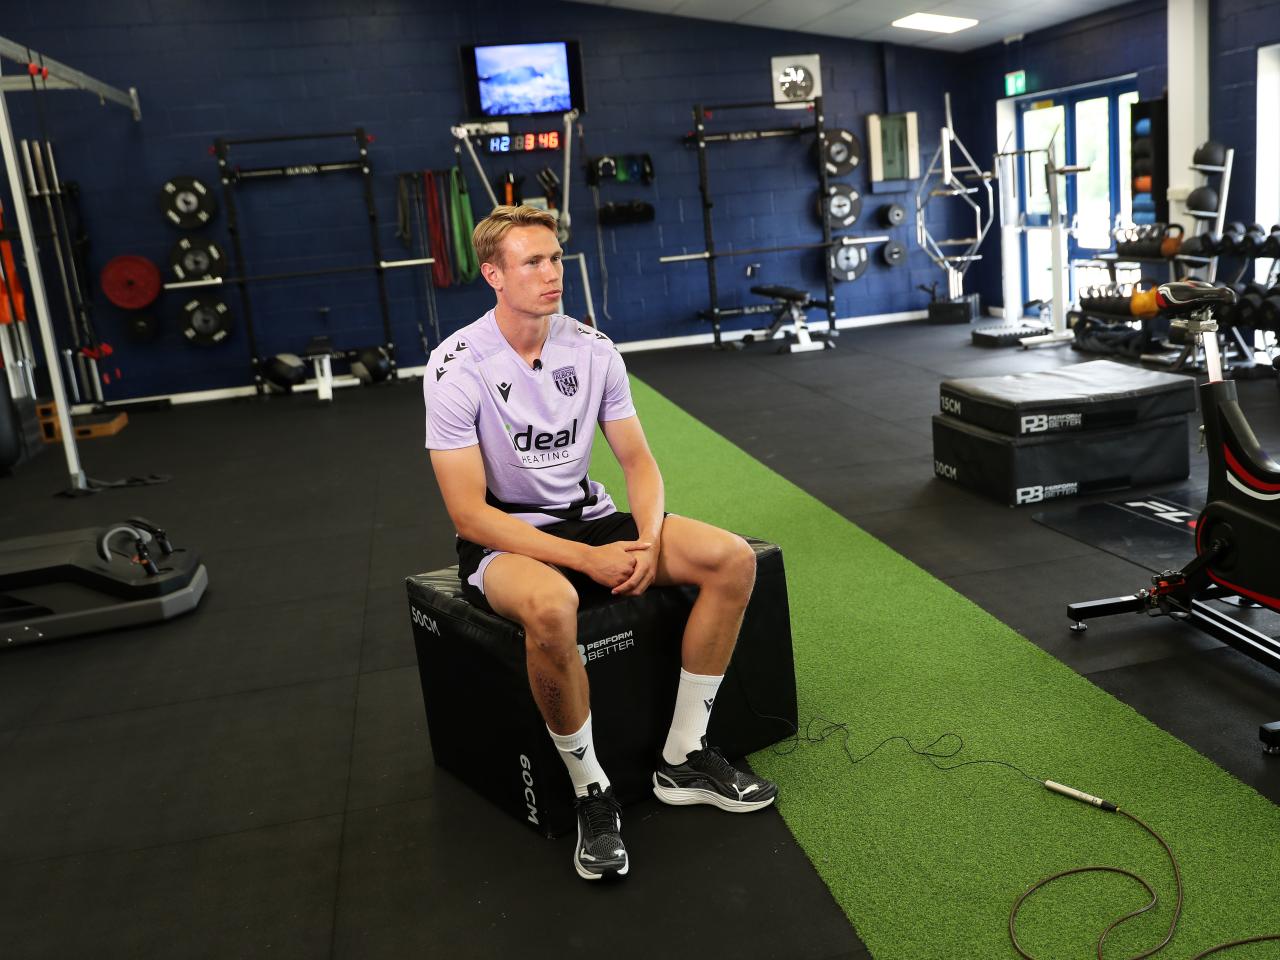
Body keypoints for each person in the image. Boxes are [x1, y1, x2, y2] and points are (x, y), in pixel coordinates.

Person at [423, 204, 778, 881]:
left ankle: (683, 757)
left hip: (595, 518)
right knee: (552, 608)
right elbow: (469, 515)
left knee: (731, 560)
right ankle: (593, 790)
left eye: (555, 258)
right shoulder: (455, 367)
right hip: (508, 538)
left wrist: (646, 540)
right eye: (533, 262)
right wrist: (586, 559)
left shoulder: (592, 349)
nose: (552, 273)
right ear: (494, 274)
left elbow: (639, 463)